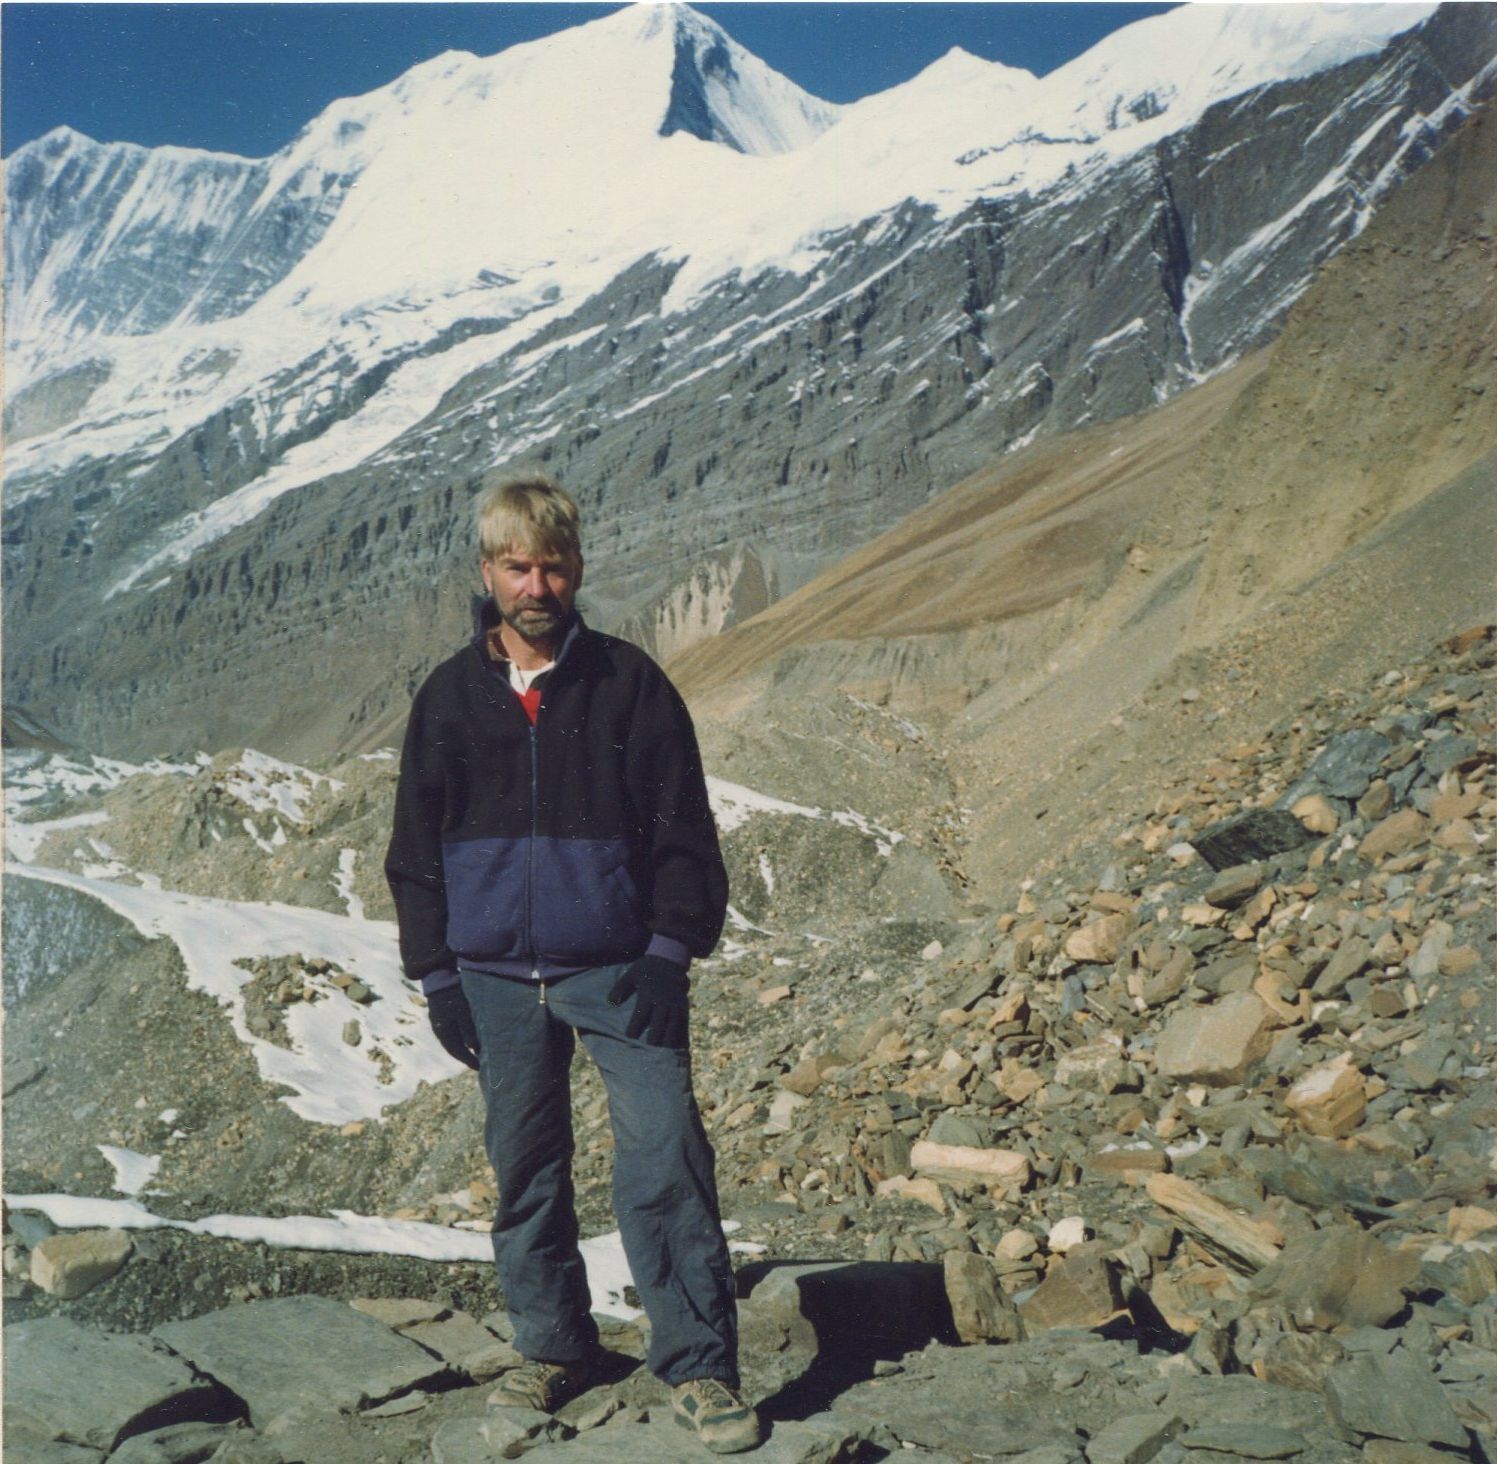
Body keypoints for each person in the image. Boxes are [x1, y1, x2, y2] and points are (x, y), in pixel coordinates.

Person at [385, 476, 761, 1454]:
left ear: (578, 567)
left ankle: (701, 1366)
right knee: (527, 1173)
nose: (537, 583)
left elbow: (685, 833)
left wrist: (669, 952)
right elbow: (414, 852)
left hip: (619, 972)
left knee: (666, 1157)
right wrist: (438, 978)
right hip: (496, 983)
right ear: (489, 571)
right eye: (518, 565)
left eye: (553, 564)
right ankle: (554, 1347)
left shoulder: (630, 685)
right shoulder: (447, 700)